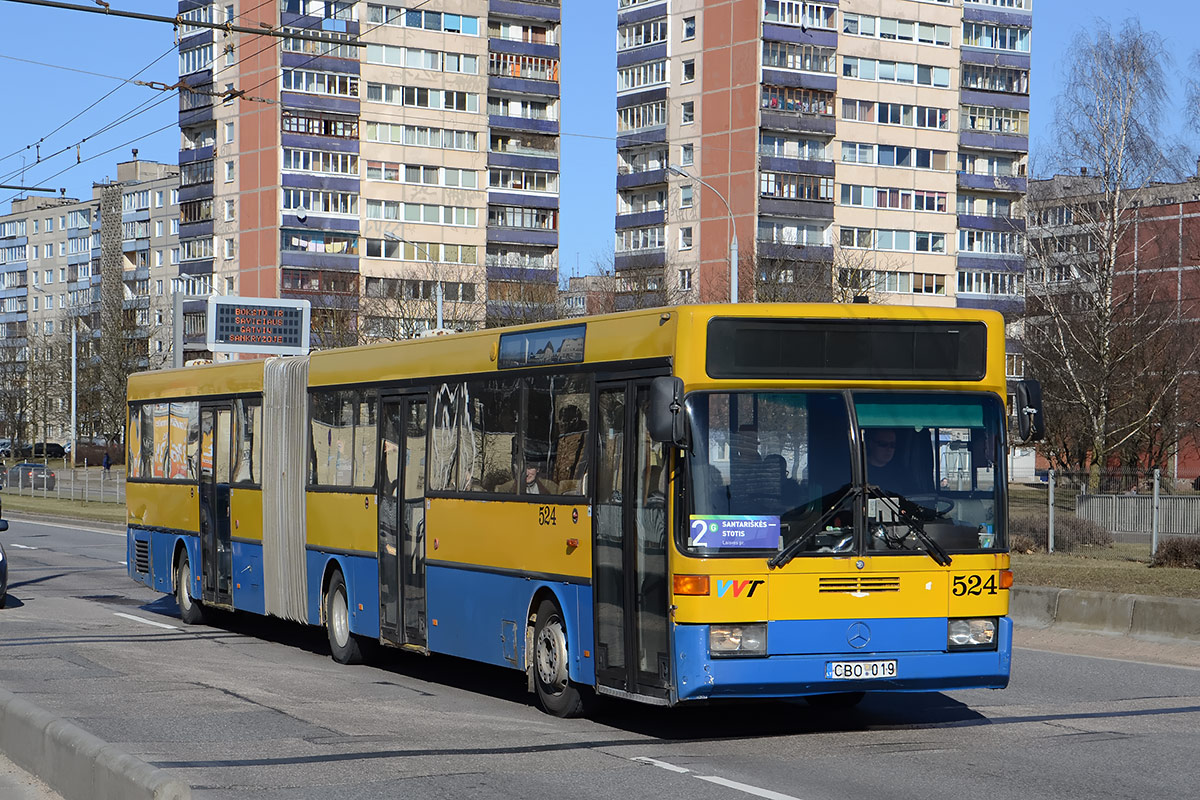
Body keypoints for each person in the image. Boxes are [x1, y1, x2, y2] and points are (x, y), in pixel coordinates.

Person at [865, 428, 917, 496]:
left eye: (892, 445)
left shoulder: (901, 472)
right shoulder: (860, 472)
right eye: (883, 444)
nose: (889, 449)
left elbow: (915, 497)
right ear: (871, 444)